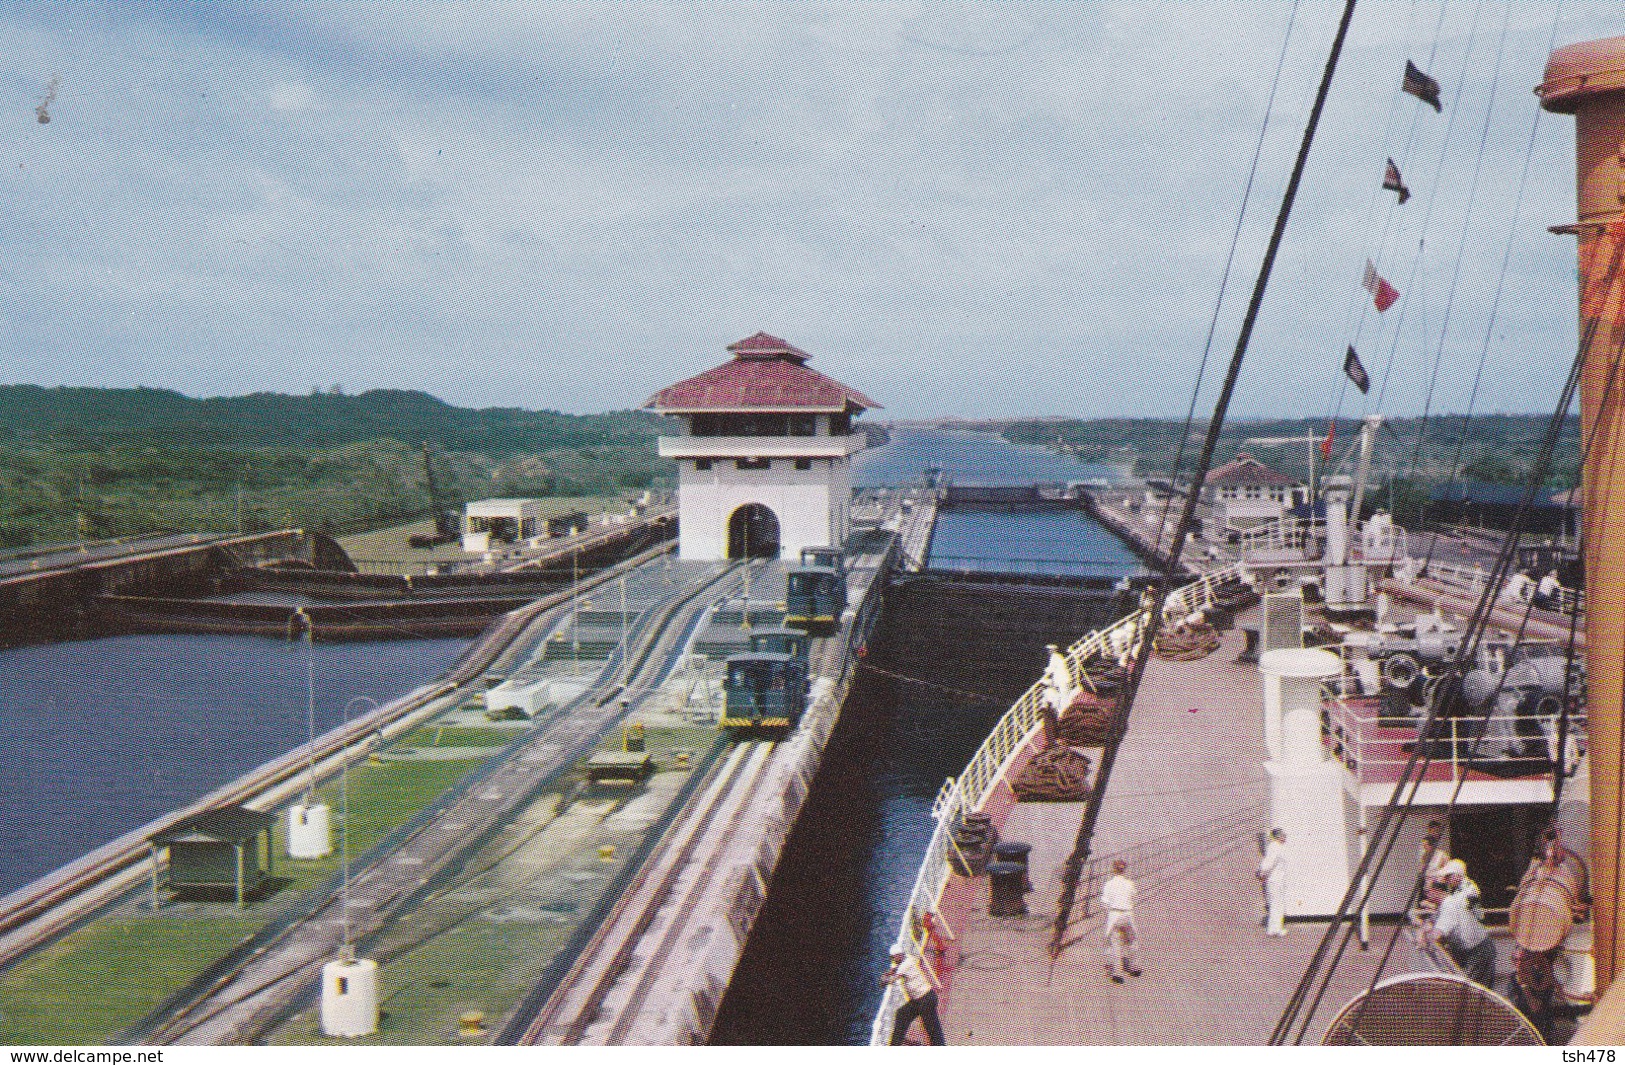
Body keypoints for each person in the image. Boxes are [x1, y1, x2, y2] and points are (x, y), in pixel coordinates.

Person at [1429, 861, 1495, 987]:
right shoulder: (1456, 893)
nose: (1446, 880)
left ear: (1458, 875)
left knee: (1471, 989)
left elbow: (1450, 912)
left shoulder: (1467, 891)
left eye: (1448, 876)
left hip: (1478, 949)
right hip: (1474, 948)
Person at [883, 945, 946, 1045]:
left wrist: (884, 978)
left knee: (932, 1029)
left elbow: (891, 980)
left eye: (893, 957)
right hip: (919, 1000)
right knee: (902, 1014)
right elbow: (898, 969)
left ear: (899, 955)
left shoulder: (904, 966)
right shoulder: (908, 958)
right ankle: (894, 1044)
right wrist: (892, 971)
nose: (893, 960)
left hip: (926, 1000)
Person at [1101, 859, 1142, 983]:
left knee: (1115, 944)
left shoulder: (1109, 884)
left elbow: (1104, 902)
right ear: (1124, 869)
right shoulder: (1130, 884)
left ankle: (1117, 973)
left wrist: (1110, 911)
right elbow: (1134, 897)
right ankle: (1134, 967)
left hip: (1115, 914)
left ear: (1114, 869)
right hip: (1127, 915)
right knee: (1132, 942)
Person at [1257, 828, 1288, 937]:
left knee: (1277, 904)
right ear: (1278, 837)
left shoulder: (1277, 847)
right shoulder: (1274, 847)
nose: (1285, 837)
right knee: (1276, 904)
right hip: (1275, 881)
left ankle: (1274, 928)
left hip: (1277, 880)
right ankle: (1275, 929)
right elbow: (1269, 863)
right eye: (1283, 835)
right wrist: (1262, 872)